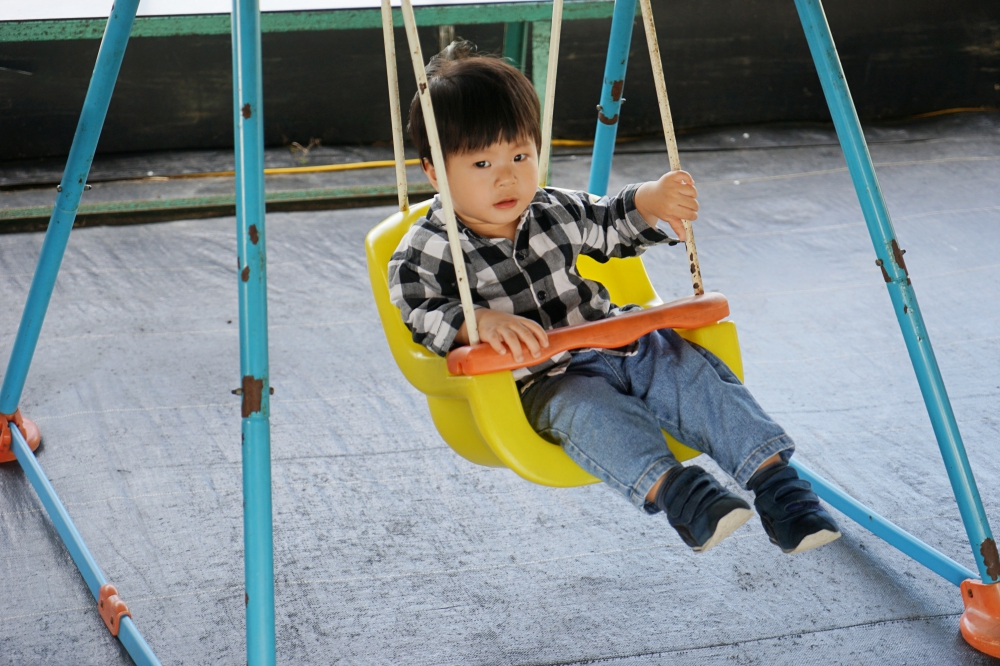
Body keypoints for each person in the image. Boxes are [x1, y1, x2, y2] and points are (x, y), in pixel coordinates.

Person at [388, 42, 841, 554]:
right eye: (481, 162)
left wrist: (652, 200)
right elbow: (418, 307)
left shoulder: (553, 209)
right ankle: (687, 498)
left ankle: (783, 493)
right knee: (594, 416)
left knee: (693, 376)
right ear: (434, 171)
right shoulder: (429, 246)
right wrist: (477, 323)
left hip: (623, 343)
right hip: (545, 379)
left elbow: (609, 221)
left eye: (520, 155)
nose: (507, 176)